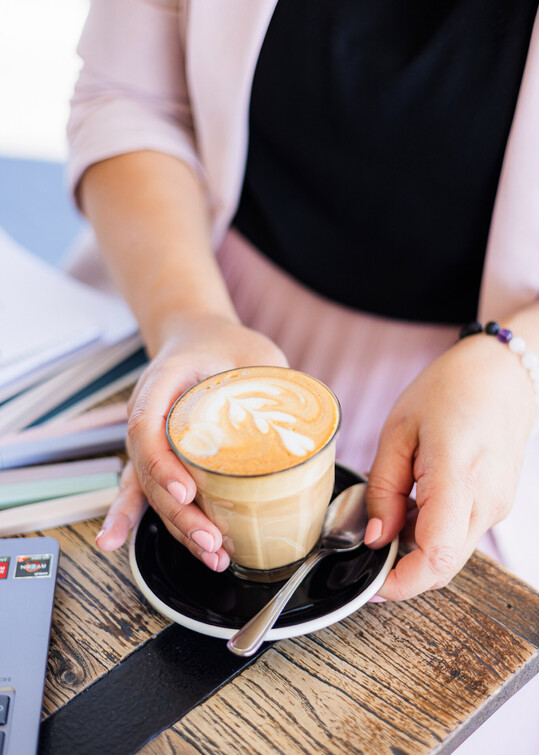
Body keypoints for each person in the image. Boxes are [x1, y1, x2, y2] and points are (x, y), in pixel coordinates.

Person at [67, 2, 539, 602]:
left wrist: (516, 357)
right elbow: (127, 100)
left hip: (480, 393)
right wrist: (188, 315)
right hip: (182, 286)